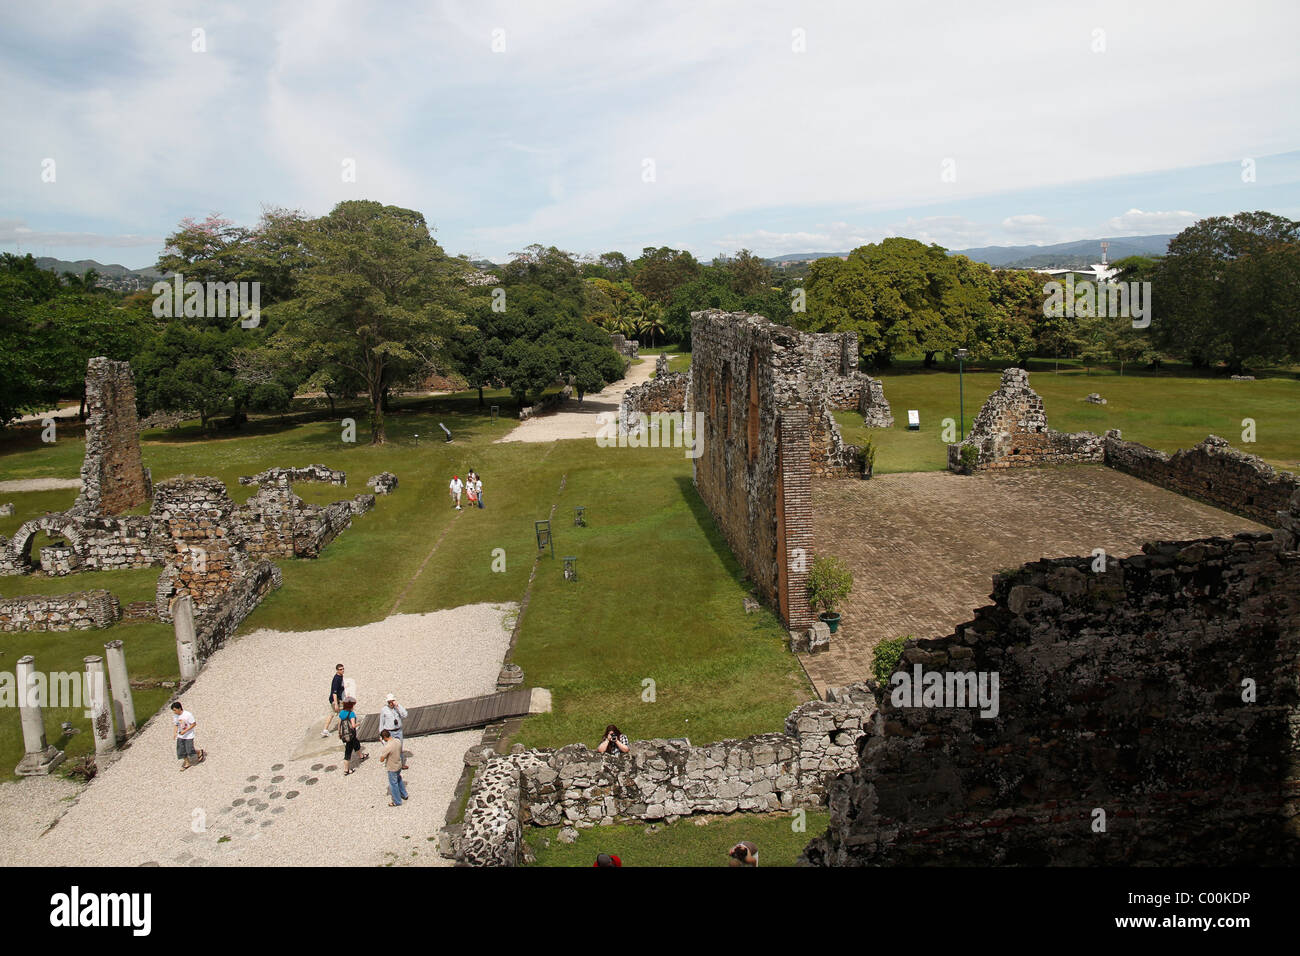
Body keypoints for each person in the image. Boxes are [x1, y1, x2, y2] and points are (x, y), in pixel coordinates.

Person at [171, 701, 205, 771]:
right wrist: (175, 733)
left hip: (189, 735)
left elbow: (193, 724)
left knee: (189, 750)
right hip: (180, 736)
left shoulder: (188, 714)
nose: (174, 712)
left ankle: (199, 752)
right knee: (180, 750)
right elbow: (176, 725)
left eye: (175, 710)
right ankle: (187, 763)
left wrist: (185, 731)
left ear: (179, 708)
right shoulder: (175, 716)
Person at [338, 696, 367, 774]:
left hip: (345, 734)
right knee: (348, 752)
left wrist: (339, 733)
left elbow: (339, 724)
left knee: (356, 743)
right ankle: (346, 770)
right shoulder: (351, 714)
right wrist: (359, 724)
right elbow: (353, 725)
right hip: (351, 735)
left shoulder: (341, 713)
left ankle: (361, 756)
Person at [379, 694, 409, 770]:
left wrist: (398, 706)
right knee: (389, 748)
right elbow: (381, 722)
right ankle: (389, 764)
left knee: (400, 747)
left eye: (391, 701)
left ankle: (401, 764)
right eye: (389, 702)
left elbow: (405, 715)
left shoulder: (397, 708)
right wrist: (381, 734)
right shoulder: (384, 710)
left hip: (398, 730)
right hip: (389, 731)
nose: (391, 703)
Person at [379, 730, 409, 806]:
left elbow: (382, 759)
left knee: (393, 784)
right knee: (399, 779)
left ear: (385, 737)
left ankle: (397, 801)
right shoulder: (397, 741)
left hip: (392, 767)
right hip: (399, 764)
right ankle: (404, 794)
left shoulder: (388, 746)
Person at [322, 663, 346, 737]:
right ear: (337, 670)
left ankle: (325, 730)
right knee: (342, 714)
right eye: (340, 669)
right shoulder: (336, 679)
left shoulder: (340, 676)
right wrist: (336, 704)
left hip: (337, 699)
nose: (342, 670)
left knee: (332, 714)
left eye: (343, 669)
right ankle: (341, 730)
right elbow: (334, 693)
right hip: (337, 700)